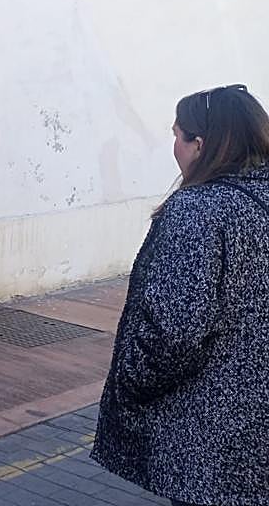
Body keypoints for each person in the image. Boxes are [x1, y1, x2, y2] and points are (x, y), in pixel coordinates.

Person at [92, 84, 269, 506]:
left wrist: (130, 384)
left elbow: (174, 332)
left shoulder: (199, 211)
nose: (173, 145)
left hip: (210, 434)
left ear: (199, 145)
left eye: (177, 135)